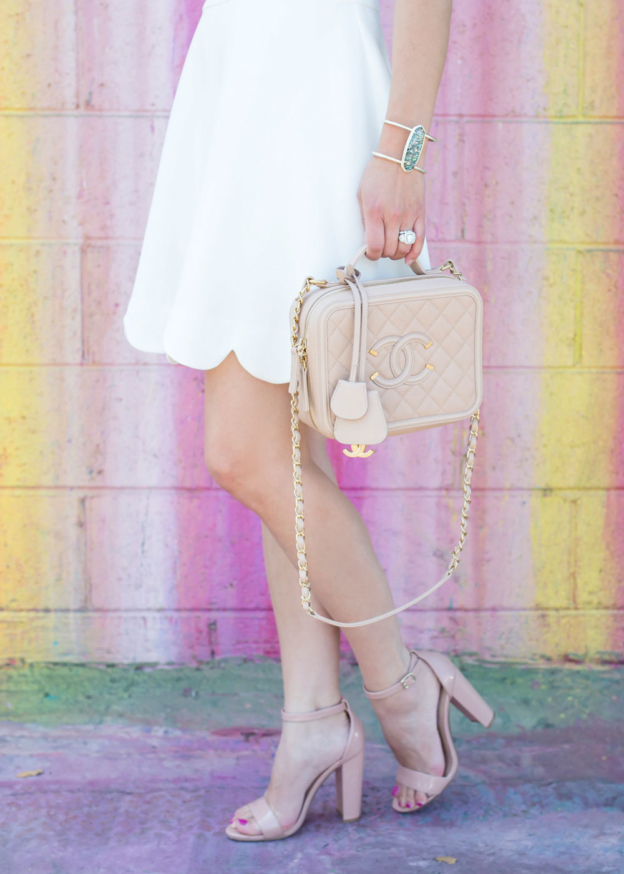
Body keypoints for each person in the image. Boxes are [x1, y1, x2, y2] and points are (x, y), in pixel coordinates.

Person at [123, 0, 493, 842]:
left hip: (316, 105)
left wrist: (402, 149)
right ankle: (314, 720)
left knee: (245, 453)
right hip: (236, 93)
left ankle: (402, 683)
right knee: (280, 455)